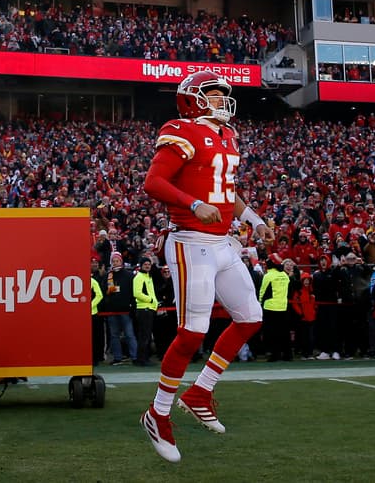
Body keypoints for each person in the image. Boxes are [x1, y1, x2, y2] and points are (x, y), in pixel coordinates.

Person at [140, 70, 272, 464]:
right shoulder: (181, 130)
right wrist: (194, 205)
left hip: (223, 241)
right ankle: (158, 413)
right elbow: (153, 182)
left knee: (250, 317)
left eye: (221, 95)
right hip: (190, 241)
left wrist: (256, 221)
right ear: (192, 100)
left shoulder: (227, 136)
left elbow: (226, 193)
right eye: (212, 95)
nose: (220, 101)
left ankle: (199, 392)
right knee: (192, 333)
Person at [103, 253, 137, 365]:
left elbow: (133, 291)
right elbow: (105, 291)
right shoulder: (109, 276)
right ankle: (117, 357)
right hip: (112, 311)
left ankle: (135, 356)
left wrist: (132, 306)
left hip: (126, 310)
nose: (115, 262)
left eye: (117, 260)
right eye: (113, 261)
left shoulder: (128, 275)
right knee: (114, 335)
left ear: (121, 261)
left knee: (129, 334)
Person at [133, 258, 159, 365]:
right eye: (145, 264)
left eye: (149, 264)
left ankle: (144, 358)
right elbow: (137, 293)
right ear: (141, 265)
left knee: (146, 335)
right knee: (144, 336)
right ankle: (142, 359)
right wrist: (151, 300)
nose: (148, 266)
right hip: (144, 309)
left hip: (149, 308)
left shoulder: (147, 276)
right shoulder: (139, 277)